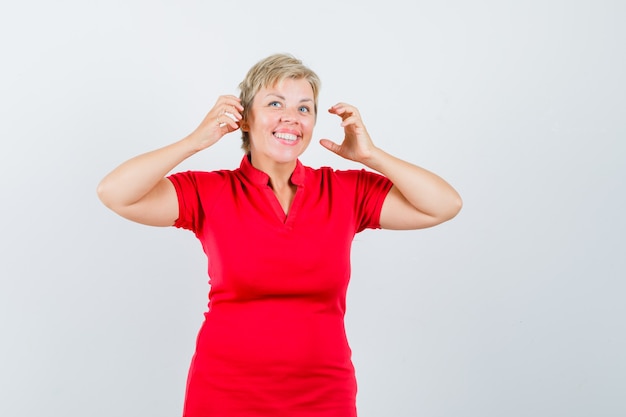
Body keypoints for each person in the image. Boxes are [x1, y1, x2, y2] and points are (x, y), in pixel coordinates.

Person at [97, 53, 462, 417]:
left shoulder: (346, 192)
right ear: (244, 118)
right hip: (225, 394)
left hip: (325, 395)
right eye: (275, 103)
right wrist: (194, 142)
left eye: (305, 109)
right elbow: (115, 193)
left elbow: (443, 205)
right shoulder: (209, 192)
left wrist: (372, 156)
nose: (292, 117)